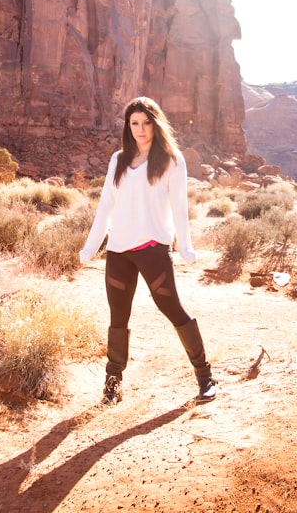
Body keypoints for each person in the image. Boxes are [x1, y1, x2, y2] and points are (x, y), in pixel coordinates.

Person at [79, 96, 218, 405]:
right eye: (134, 123)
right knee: (118, 318)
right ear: (128, 126)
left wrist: (186, 246)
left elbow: (180, 208)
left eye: (146, 123)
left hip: (152, 248)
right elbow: (106, 207)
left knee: (174, 310)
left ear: (156, 124)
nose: (140, 130)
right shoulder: (118, 159)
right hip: (118, 251)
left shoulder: (171, 159)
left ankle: (205, 376)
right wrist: (92, 245)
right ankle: (113, 385)